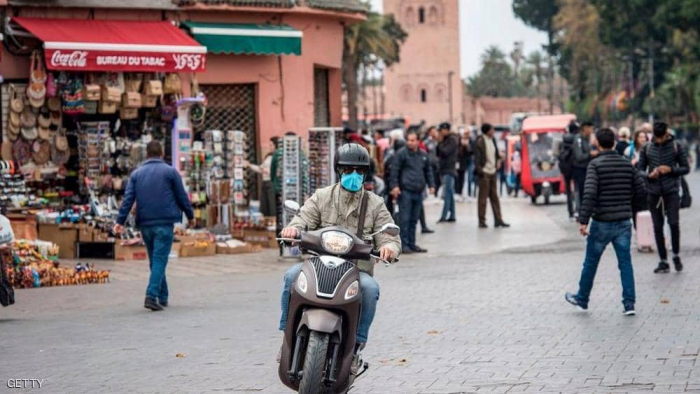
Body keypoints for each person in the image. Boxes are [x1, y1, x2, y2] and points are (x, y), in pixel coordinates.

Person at [278, 143, 401, 369]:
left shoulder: (375, 203)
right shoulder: (322, 196)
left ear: (365, 173)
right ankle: (286, 334)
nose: (353, 175)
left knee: (371, 289)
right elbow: (302, 219)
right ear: (339, 171)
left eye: (359, 171)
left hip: (356, 270)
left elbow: (389, 234)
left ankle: (356, 345)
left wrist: (389, 248)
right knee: (290, 277)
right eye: (348, 170)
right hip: (318, 266)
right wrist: (293, 230)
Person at [565, 128, 647, 315]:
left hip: (601, 222)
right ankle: (629, 304)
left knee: (591, 262)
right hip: (623, 222)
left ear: (598, 144)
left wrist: (583, 220)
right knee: (625, 263)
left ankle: (582, 299)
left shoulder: (595, 165)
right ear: (615, 143)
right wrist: (630, 206)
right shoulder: (627, 165)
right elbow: (641, 190)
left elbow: (590, 193)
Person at [114, 141, 194, 312]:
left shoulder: (136, 174)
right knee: (159, 260)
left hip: (145, 224)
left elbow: (128, 200)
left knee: (155, 261)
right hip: (164, 223)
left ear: (147, 154)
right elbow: (182, 197)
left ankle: (162, 296)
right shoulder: (171, 172)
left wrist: (120, 222)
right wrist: (191, 216)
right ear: (162, 153)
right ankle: (151, 295)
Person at [637, 122, 690, 274]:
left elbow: (686, 168)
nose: (659, 140)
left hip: (671, 190)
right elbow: (639, 170)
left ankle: (676, 255)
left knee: (674, 223)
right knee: (657, 227)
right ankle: (663, 260)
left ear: (667, 133)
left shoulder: (676, 146)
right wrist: (649, 174)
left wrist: (671, 169)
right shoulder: (647, 148)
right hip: (653, 192)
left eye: (662, 137)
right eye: (657, 137)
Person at [390, 131, 436, 254]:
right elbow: (394, 171)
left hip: (418, 191)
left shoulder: (423, 155)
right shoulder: (401, 154)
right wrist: (394, 186)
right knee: (405, 219)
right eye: (408, 140)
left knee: (414, 220)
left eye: (412, 140)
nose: (410, 142)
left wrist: (431, 185)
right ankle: (404, 245)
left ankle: (412, 243)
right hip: (406, 191)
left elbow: (428, 171)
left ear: (418, 141)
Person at [474, 123, 510, 228]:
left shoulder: (493, 140)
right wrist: (480, 171)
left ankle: (498, 219)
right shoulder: (480, 142)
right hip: (484, 172)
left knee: (495, 197)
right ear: (487, 131)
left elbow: (494, 154)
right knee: (483, 198)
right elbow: (477, 158)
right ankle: (482, 221)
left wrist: (499, 159)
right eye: (492, 129)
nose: (493, 131)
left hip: (493, 172)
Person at [572, 122, 598, 212]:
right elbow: (579, 156)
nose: (591, 131)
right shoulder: (579, 139)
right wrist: (590, 154)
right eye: (590, 128)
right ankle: (581, 211)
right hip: (580, 169)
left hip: (586, 168)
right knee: (581, 191)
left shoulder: (587, 139)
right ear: (585, 128)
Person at [437, 122, 458, 223]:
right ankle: (452, 215)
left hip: (449, 169)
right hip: (444, 169)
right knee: (449, 193)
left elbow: (445, 152)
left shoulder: (452, 140)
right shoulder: (446, 140)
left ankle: (444, 216)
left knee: (447, 193)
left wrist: (440, 143)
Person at [559, 121, 579, 219]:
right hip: (576, 166)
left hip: (565, 167)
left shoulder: (563, 139)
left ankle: (570, 211)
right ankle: (577, 210)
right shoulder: (577, 139)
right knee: (577, 189)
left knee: (568, 190)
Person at [424, 126, 440, 197]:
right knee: (432, 178)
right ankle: (433, 192)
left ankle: (436, 191)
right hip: (430, 163)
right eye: (433, 131)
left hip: (438, 163)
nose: (434, 133)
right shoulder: (427, 142)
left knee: (438, 179)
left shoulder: (438, 141)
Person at [456, 130, 474, 198]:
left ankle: (467, 193)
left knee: (466, 178)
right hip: (459, 163)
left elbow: (471, 152)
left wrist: (467, 146)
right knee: (458, 178)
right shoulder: (458, 143)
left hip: (466, 162)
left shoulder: (470, 141)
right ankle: (458, 192)